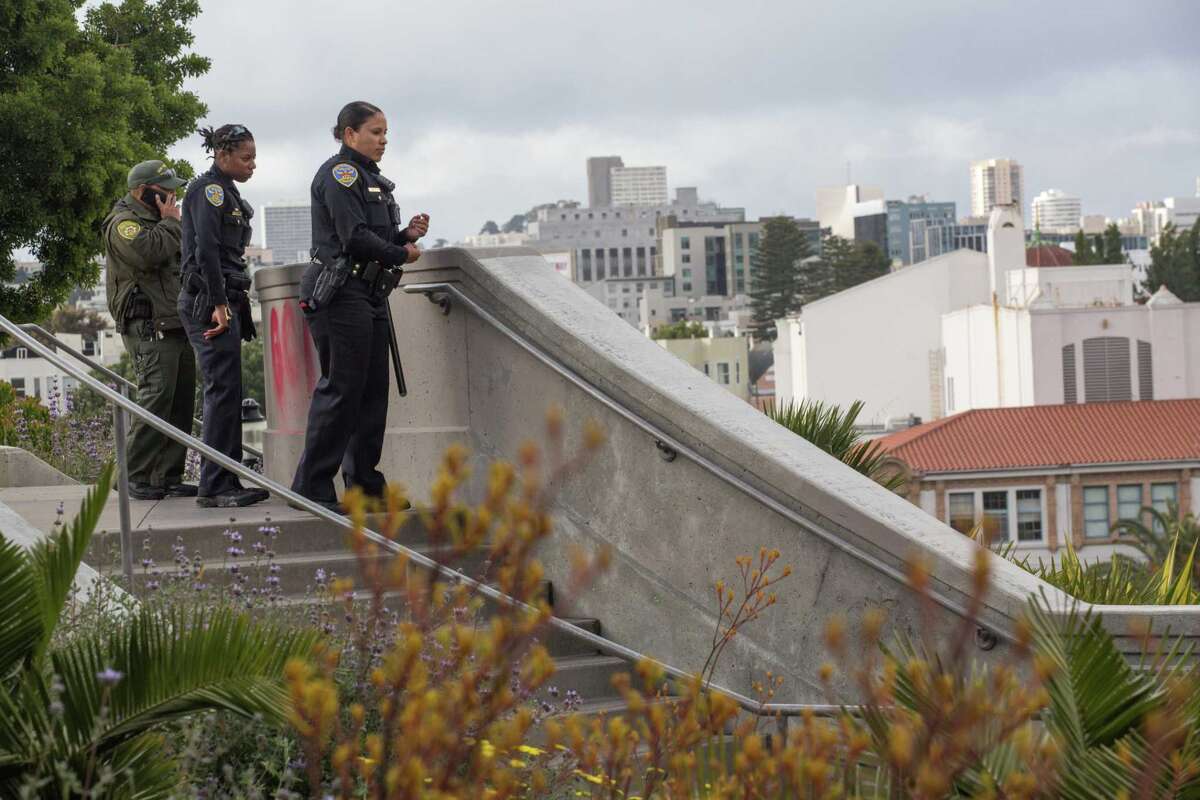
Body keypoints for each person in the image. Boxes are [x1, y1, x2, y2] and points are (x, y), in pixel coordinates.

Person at [290, 101, 428, 511]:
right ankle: (311, 486)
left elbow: (372, 235)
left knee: (371, 393)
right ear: (350, 134)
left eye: (386, 133)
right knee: (341, 390)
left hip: (367, 293)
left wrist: (405, 234)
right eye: (375, 132)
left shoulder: (371, 179)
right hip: (339, 292)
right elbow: (352, 237)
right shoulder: (340, 173)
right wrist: (401, 254)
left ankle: (365, 485)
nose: (383, 140)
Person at [178, 124, 268, 508]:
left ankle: (226, 477)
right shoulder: (208, 191)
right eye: (246, 158)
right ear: (223, 154)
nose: (252, 165)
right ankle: (214, 485)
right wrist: (218, 304)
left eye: (253, 157)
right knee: (221, 391)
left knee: (230, 391)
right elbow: (208, 251)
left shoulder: (227, 192)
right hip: (208, 303)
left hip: (224, 299)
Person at [101, 159, 196, 501]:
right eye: (165, 190)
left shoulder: (163, 222)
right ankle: (132, 475)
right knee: (155, 398)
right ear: (144, 191)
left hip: (175, 321)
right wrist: (172, 224)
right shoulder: (123, 223)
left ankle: (166, 476)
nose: (172, 196)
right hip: (148, 325)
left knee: (180, 402)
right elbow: (147, 254)